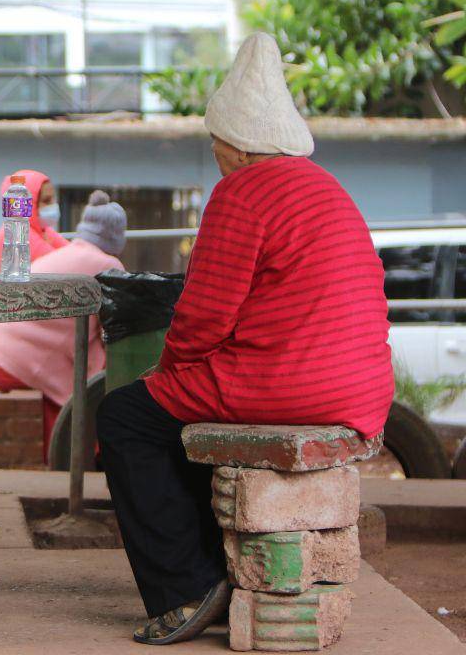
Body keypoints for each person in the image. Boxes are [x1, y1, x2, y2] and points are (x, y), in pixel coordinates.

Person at [96, 33, 393, 645]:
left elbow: (203, 318)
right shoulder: (326, 188)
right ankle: (219, 570)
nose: (215, 156)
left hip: (290, 383)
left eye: (215, 145)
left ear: (234, 145)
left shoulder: (243, 191)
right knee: (167, 420)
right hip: (361, 390)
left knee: (126, 416)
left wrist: (167, 373)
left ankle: (184, 590)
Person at [0, 190, 126, 458]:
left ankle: (61, 460)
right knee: (89, 382)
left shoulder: (66, 251)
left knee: (65, 384)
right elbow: (114, 332)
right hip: (11, 362)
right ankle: (82, 458)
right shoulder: (109, 266)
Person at [0, 169, 68, 273]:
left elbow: (71, 252)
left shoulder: (42, 230)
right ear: (28, 203)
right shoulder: (17, 232)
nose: (53, 205)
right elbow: (65, 264)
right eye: (46, 200)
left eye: (53, 199)